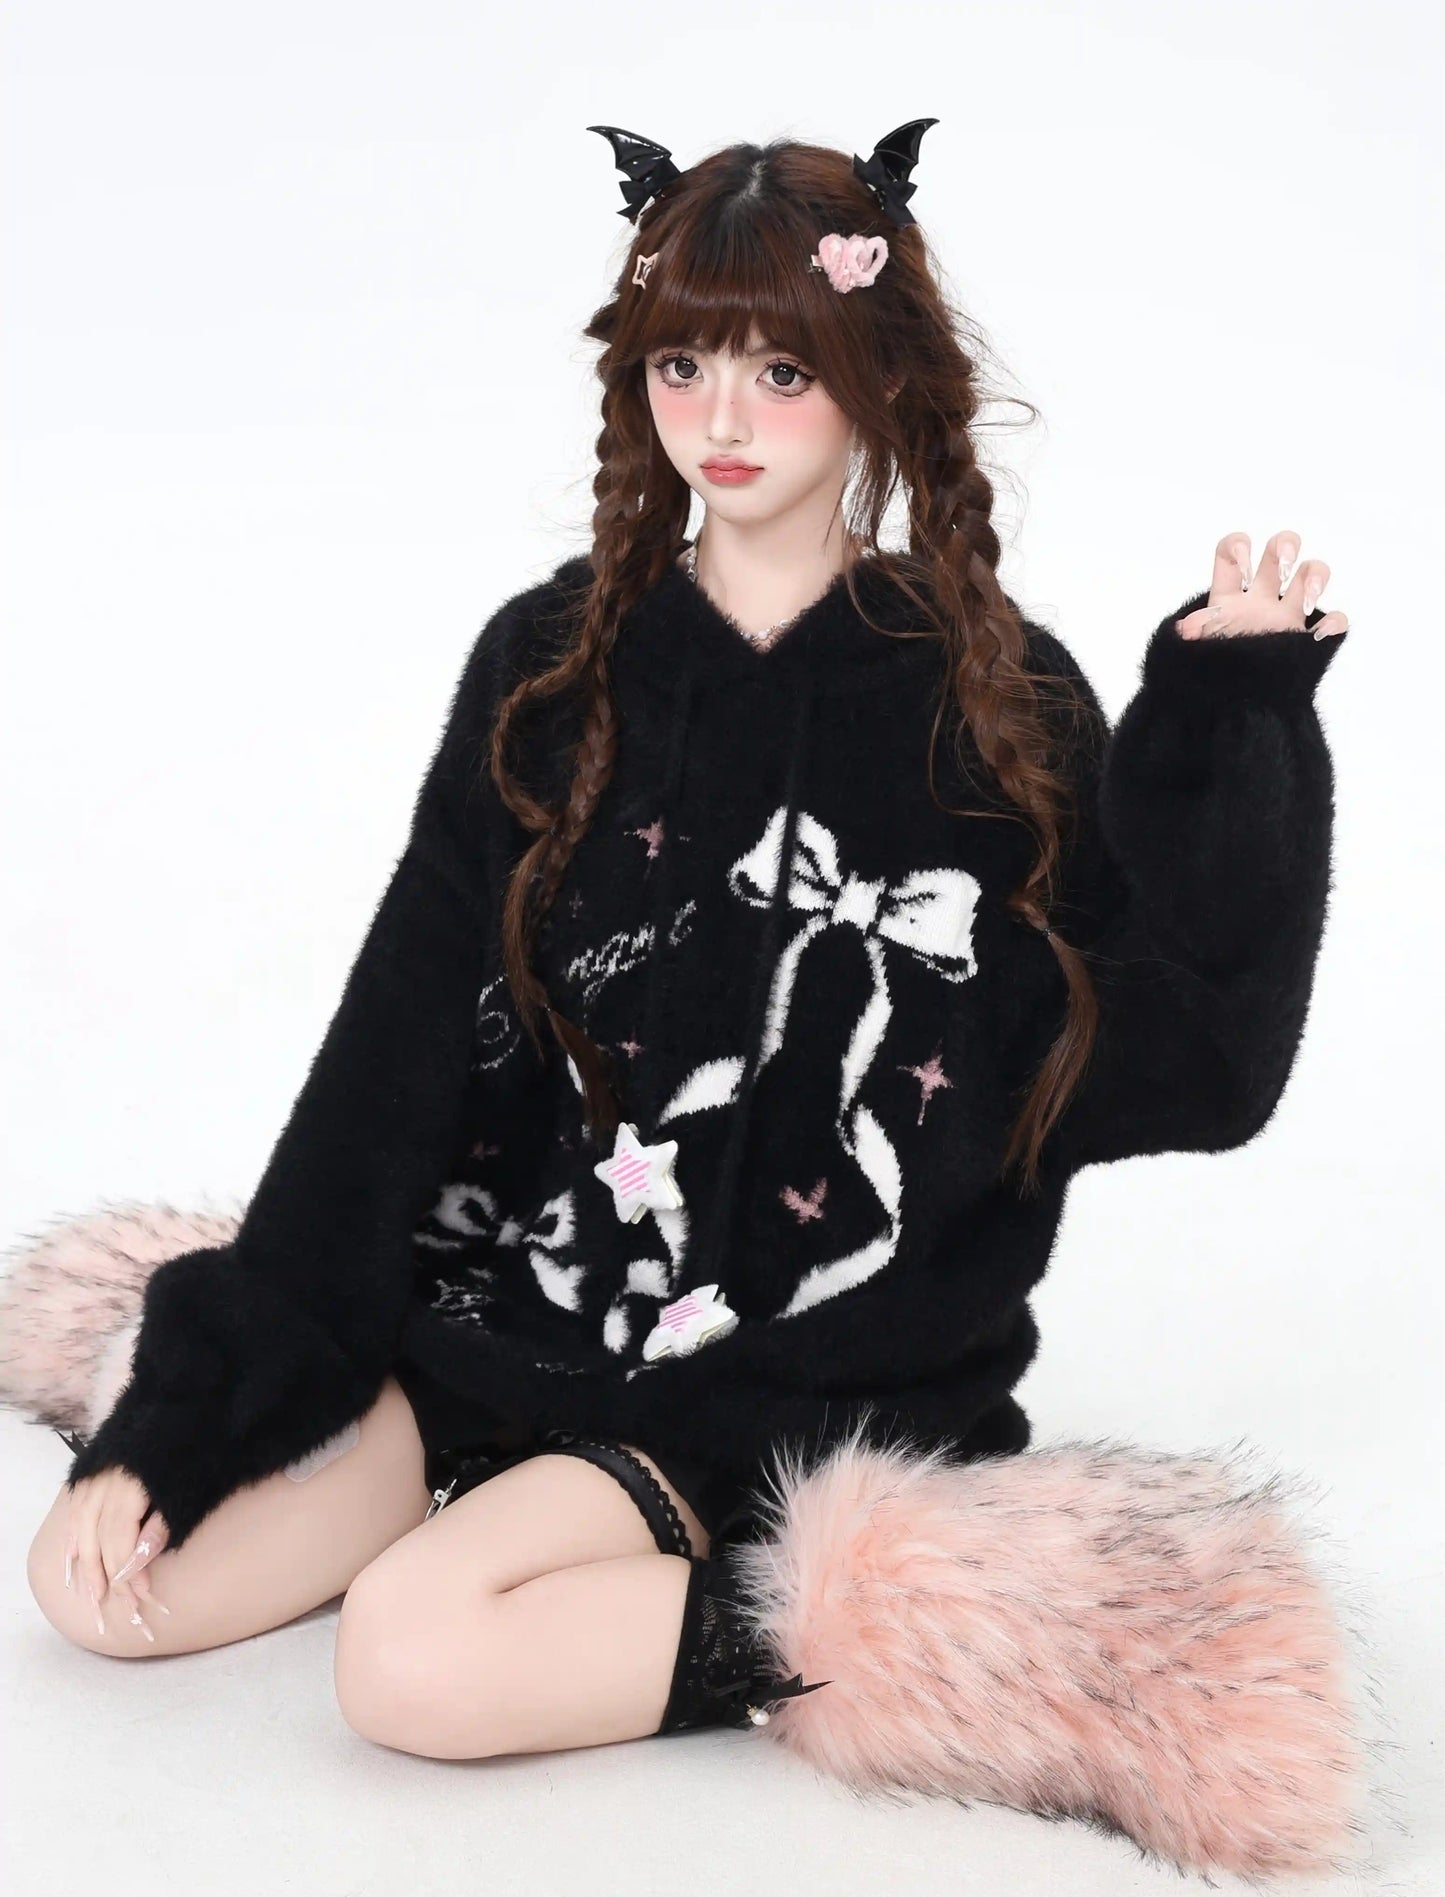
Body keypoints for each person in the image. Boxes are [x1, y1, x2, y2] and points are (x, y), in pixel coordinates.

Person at [28, 122, 1348, 1758]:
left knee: (410, 1666)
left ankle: (896, 1630)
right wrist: (196, 1406)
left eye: (780, 373)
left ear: (875, 378)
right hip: (518, 1315)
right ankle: (473, 1501)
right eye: (682, 365)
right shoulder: (546, 666)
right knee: (96, 1591)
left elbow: (1189, 1065)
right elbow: (396, 1044)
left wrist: (1224, 732)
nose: (720, 421)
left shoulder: (995, 703)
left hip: (781, 1380)